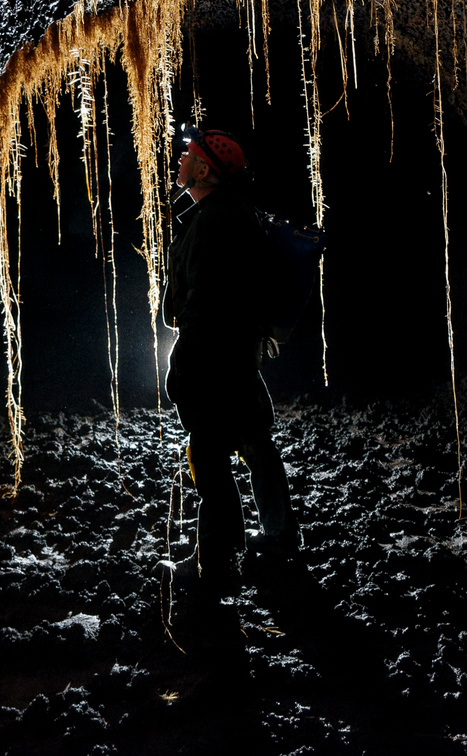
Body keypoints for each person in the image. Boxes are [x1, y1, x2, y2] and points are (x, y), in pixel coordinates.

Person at [160, 127, 301, 598]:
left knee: (209, 453)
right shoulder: (234, 215)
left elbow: (205, 305)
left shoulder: (213, 222)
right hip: (237, 355)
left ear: (204, 170)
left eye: (188, 155)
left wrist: (184, 364)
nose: (180, 159)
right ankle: (278, 539)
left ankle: (215, 563)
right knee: (255, 441)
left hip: (214, 359)